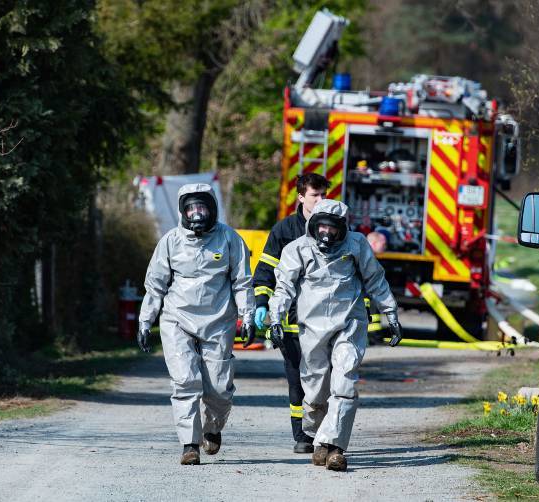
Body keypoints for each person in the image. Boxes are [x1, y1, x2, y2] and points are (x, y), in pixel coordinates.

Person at [268, 199, 403, 471]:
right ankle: (320, 438)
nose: (327, 234)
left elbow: (375, 279)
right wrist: (275, 318)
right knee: (315, 392)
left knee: (344, 384)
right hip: (312, 328)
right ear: (313, 227)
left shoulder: (356, 245)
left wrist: (391, 313)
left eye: (333, 229)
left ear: (343, 228)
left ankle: (336, 449)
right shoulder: (297, 249)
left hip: (349, 324)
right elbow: (283, 286)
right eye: (322, 228)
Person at [137, 183, 255, 466]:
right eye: (191, 208)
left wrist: (247, 316)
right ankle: (189, 444)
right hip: (177, 320)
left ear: (212, 208)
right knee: (185, 381)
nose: (197, 213)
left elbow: (242, 282)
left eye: (202, 207)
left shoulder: (230, 239)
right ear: (183, 211)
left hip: (219, 322)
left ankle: (212, 429)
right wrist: (145, 321)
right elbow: (155, 287)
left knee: (219, 389)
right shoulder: (170, 241)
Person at [251, 172, 330, 453]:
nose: (321, 201)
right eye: (315, 195)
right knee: (297, 381)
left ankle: (325, 433)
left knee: (324, 380)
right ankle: (302, 436)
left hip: (327, 320)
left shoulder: (336, 228)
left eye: (324, 195)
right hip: (292, 321)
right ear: (300, 197)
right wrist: (261, 304)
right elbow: (264, 273)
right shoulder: (284, 230)